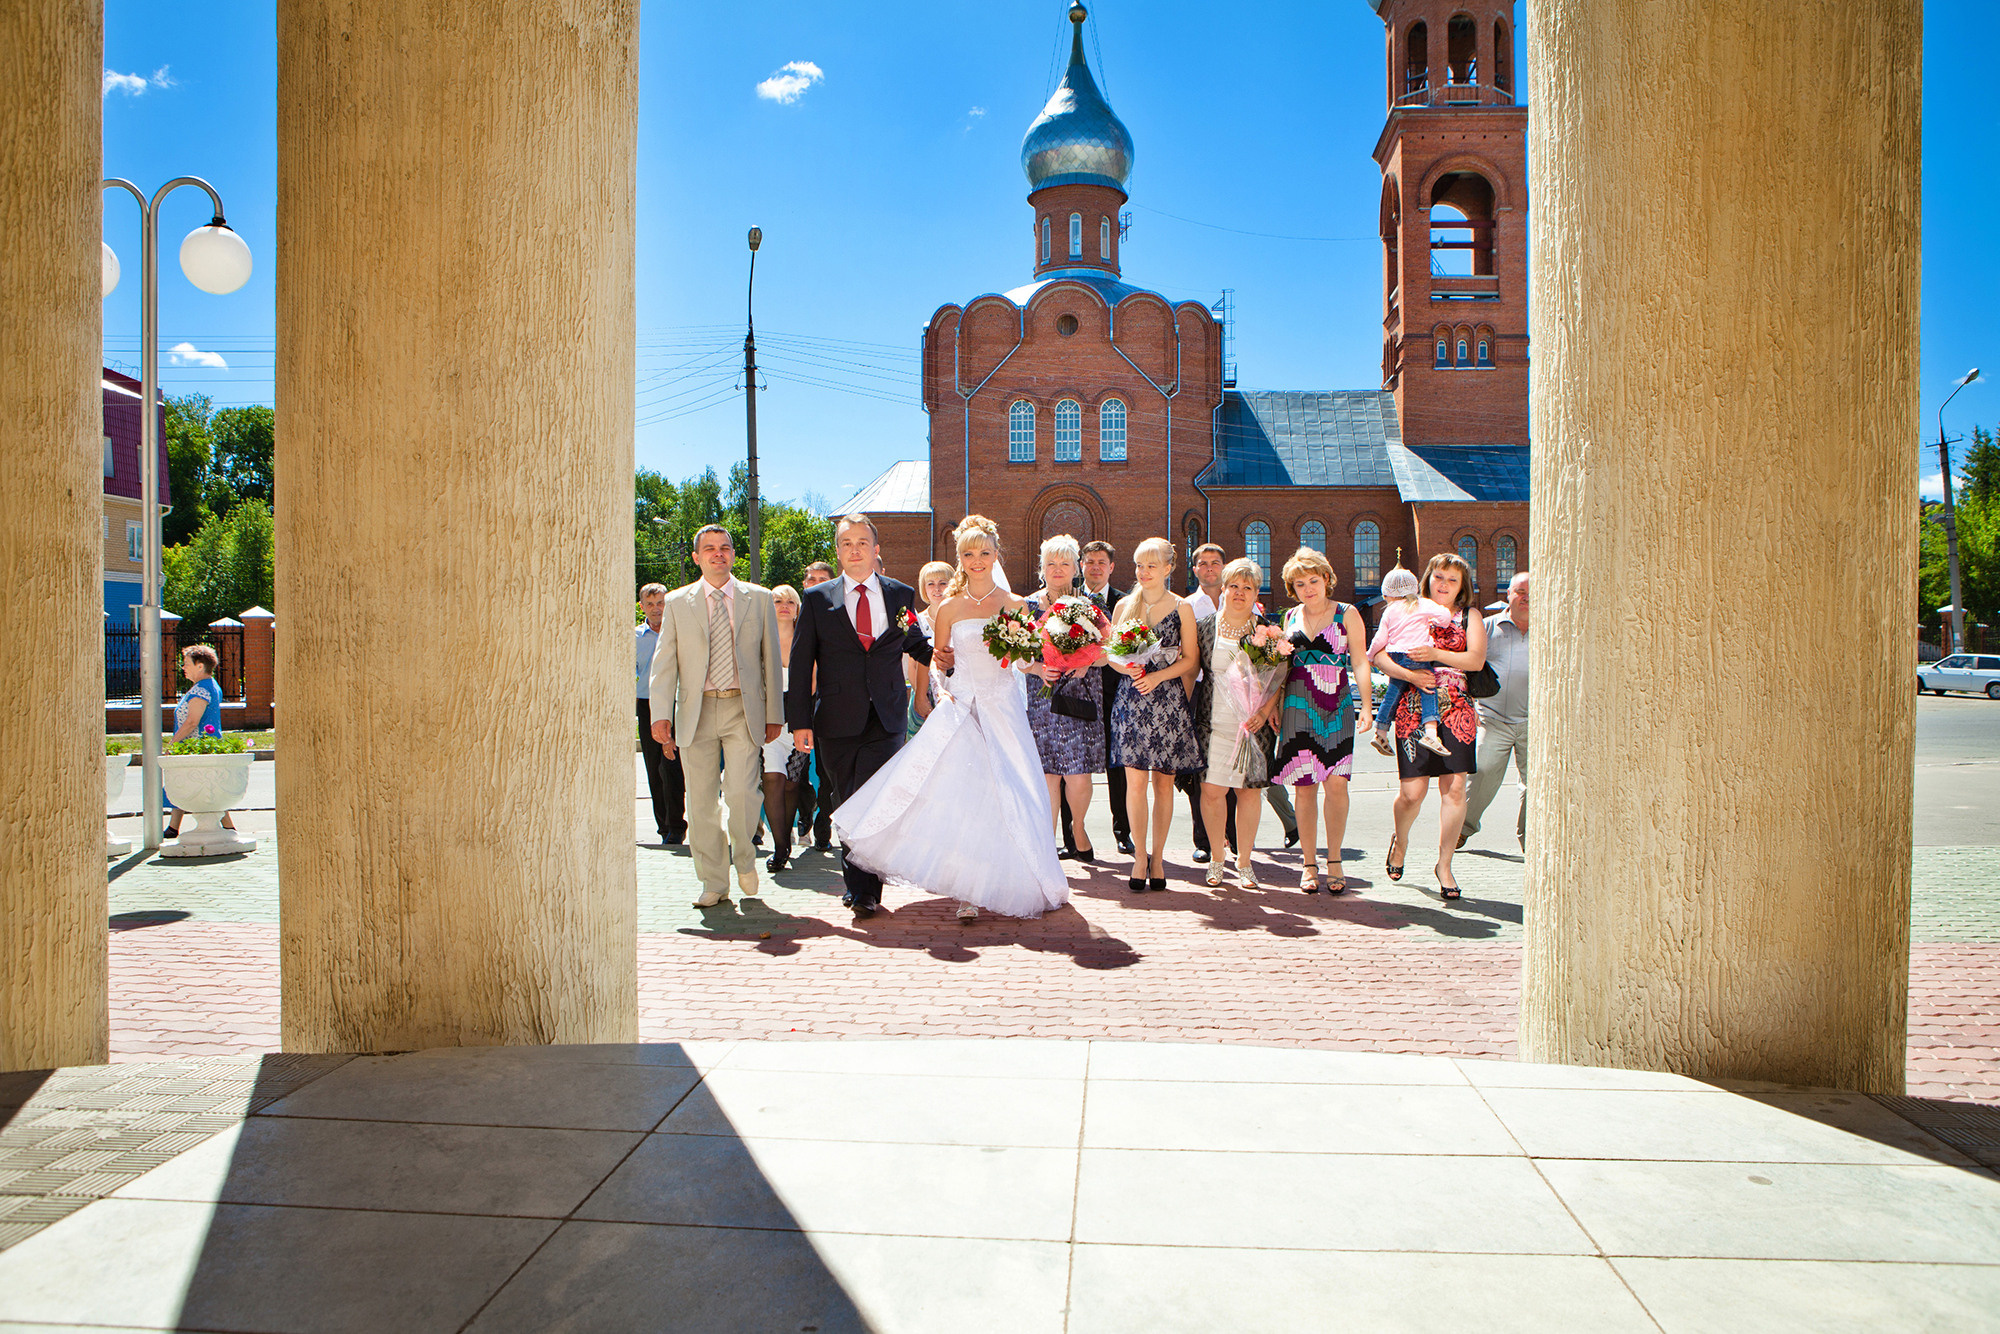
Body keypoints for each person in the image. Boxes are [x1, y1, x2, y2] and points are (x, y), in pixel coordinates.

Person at [835, 515, 1069, 923]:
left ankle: (1018, 877)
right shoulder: (948, 608)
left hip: (1003, 710)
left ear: (996, 554)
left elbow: (1026, 660)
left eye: (983, 552)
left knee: (1011, 795)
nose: (976, 560)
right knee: (964, 799)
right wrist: (941, 690)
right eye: (968, 553)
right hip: (961, 709)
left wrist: (1041, 670)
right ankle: (968, 888)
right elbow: (941, 664)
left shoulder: (1016, 605)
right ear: (959, 558)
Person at [787, 512, 935, 919]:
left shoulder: (899, 595)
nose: (855, 550)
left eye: (862, 543)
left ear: (876, 549)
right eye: (846, 543)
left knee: (874, 798)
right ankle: (859, 882)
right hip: (835, 718)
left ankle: (865, 889)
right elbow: (801, 666)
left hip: (886, 716)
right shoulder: (818, 600)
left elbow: (915, 644)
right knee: (846, 799)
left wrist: (947, 660)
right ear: (837, 551)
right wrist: (799, 722)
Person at [648, 525, 786, 909]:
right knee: (702, 803)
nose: (718, 554)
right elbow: (664, 665)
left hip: (743, 707)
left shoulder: (757, 599)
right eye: (709, 549)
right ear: (696, 557)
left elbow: (770, 659)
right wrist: (661, 716)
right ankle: (713, 880)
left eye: (725, 548)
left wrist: (774, 712)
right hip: (696, 711)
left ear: (733, 555)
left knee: (743, 792)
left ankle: (744, 857)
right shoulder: (677, 602)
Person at [1374, 552, 1487, 901]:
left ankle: (1445, 864)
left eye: (1452, 580)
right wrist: (1410, 672)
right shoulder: (1407, 607)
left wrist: (1435, 655)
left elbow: (1476, 660)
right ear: (1428, 579)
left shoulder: (1470, 617)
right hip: (1411, 703)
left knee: (1454, 790)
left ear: (1462, 587)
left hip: (1457, 708)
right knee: (1412, 794)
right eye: (1439, 577)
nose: (1444, 585)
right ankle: (1401, 840)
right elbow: (1378, 655)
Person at [1263, 548, 1373, 892]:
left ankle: (1335, 859)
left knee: (1336, 783)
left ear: (1326, 579)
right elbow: (1282, 666)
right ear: (1292, 589)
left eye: (1313, 580)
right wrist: (1275, 704)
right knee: (1303, 786)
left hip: (1336, 705)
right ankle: (1308, 864)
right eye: (1299, 584)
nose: (1308, 588)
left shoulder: (1347, 613)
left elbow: (1361, 662)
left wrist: (1366, 706)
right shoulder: (1290, 617)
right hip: (1297, 704)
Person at [1109, 537, 1201, 893]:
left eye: (1151, 565)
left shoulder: (1182, 607)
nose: (1144, 572)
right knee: (1135, 784)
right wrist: (1127, 669)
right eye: (1139, 565)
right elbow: (1111, 655)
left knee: (1164, 784)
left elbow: (1191, 659)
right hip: (1131, 701)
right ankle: (1139, 856)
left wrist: (1157, 676)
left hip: (1167, 702)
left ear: (1167, 568)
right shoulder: (1124, 607)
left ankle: (1159, 858)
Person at [1021, 535, 1107, 864]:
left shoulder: (1091, 606)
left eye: (1065, 563)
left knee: (1079, 774)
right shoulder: (1028, 606)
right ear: (1041, 568)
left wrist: (1086, 661)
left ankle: (1080, 827)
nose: (1058, 569)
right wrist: (1038, 669)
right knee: (1047, 775)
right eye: (1051, 563)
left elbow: (1107, 652)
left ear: (1076, 568)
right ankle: (1048, 839)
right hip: (1042, 701)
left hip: (1079, 696)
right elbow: (1017, 657)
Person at [1192, 558, 1279, 888]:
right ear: (1223, 589)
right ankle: (1216, 858)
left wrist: (1265, 710)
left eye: (1248, 587)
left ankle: (1244, 861)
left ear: (1256, 592)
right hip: (1213, 724)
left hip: (1251, 725)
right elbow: (1193, 670)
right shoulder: (1205, 628)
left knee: (1248, 793)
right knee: (1212, 790)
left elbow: (1277, 680)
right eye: (1234, 586)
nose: (1239, 593)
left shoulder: (1267, 631)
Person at [1067, 540, 1132, 855]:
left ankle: (1122, 831)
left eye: (1101, 562)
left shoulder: (1125, 603)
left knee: (1117, 765)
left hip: (1113, 692)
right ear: (1081, 565)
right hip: (1075, 694)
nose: (1094, 567)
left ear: (1111, 567)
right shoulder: (1068, 601)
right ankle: (1070, 837)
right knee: (1073, 765)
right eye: (1089, 561)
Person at [1460, 570, 1529, 851]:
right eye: (1521, 592)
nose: (1527, 598)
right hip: (1493, 719)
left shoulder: (1552, 628)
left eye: (1533, 593)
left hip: (1535, 721)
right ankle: (1463, 828)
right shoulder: (1487, 628)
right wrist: (1467, 705)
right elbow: (1462, 666)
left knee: (1535, 785)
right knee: (1482, 772)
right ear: (1508, 595)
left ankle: (1531, 842)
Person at [1368, 565, 1455, 757]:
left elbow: (1380, 639)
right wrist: (1435, 621)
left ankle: (1380, 731)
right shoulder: (1422, 604)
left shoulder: (1390, 611)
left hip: (1397, 655)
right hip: (1418, 654)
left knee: (1393, 691)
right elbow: (1445, 617)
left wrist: (1370, 656)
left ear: (1388, 594)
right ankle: (1431, 733)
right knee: (1428, 688)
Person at [163, 643, 239, 839]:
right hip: (201, 745)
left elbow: (191, 721)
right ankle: (173, 828)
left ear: (199, 666)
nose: (183, 667)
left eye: (186, 663)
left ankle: (229, 828)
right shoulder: (207, 686)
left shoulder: (201, 689)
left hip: (197, 746)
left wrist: (173, 743)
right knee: (190, 785)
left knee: (200, 787)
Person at [760, 584, 809, 874]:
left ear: (797, 607)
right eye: (777, 600)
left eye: (790, 601)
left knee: (792, 783)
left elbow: (815, 679)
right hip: (768, 719)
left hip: (799, 719)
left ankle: (787, 839)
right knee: (772, 780)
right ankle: (779, 849)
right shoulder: (760, 640)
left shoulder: (806, 638)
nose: (783, 605)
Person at [636, 583, 687, 847]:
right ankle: (663, 826)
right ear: (642, 606)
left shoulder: (679, 632)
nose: (656, 609)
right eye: (650, 604)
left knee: (672, 767)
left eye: (661, 603)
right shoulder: (634, 637)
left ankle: (677, 826)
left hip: (676, 704)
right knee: (654, 768)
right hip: (646, 705)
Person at [797, 560, 837, 847]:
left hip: (827, 702)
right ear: (804, 584)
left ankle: (824, 818)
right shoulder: (790, 614)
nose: (816, 583)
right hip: (797, 703)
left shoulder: (837, 617)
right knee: (795, 769)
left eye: (823, 579)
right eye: (812, 579)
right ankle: (804, 810)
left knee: (826, 769)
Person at [906, 560, 953, 738]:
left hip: (952, 692)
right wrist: (921, 695)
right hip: (924, 694)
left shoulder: (958, 619)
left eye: (943, 583)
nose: (937, 589)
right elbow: (913, 663)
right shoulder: (916, 620)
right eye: (931, 584)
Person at [1184, 542, 1226, 620]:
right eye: (1203, 564)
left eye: (1215, 563)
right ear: (1195, 571)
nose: (1209, 568)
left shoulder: (1239, 602)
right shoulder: (1185, 607)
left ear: (1224, 568)